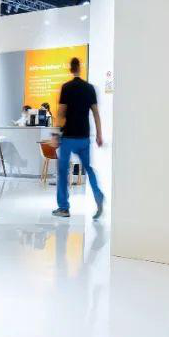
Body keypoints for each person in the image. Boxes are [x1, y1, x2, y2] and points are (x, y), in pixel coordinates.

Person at [51, 57, 104, 219]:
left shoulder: (66, 87)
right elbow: (96, 113)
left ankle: (64, 208)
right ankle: (98, 194)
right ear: (80, 68)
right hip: (84, 137)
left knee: (63, 171)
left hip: (68, 136)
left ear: (70, 69)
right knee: (88, 168)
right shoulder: (89, 88)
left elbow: (61, 113)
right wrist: (99, 134)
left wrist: (55, 134)